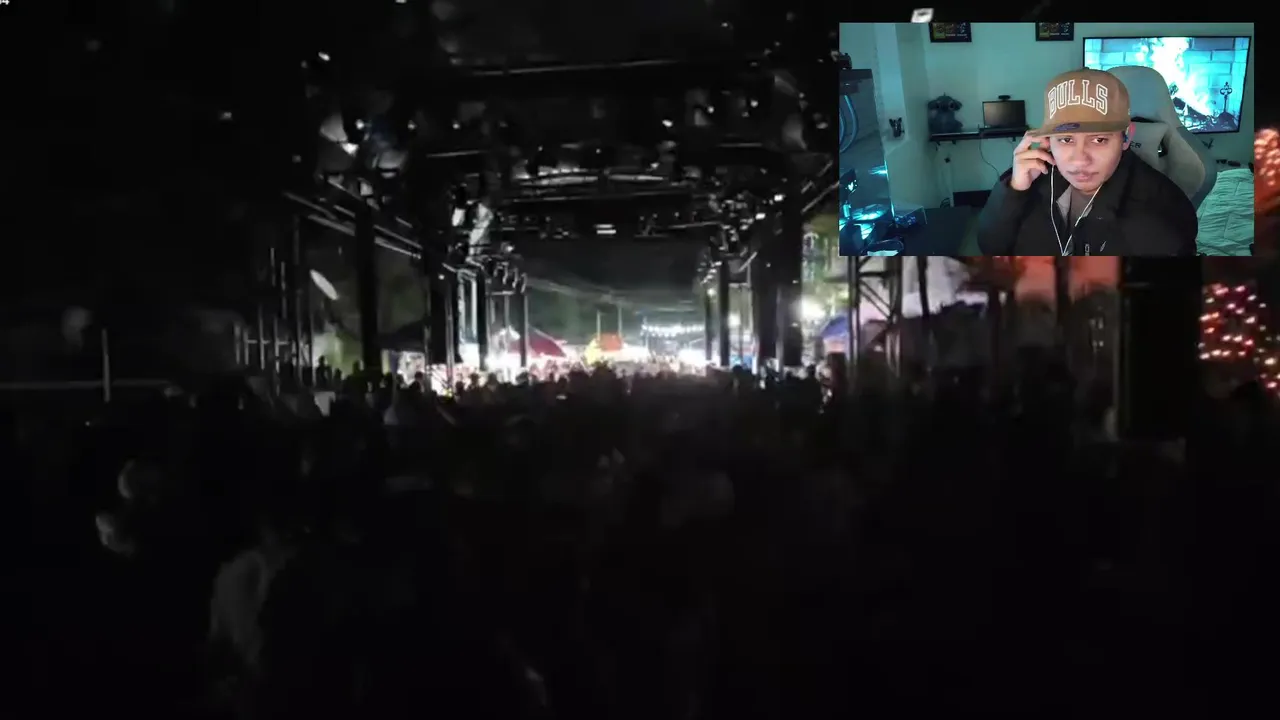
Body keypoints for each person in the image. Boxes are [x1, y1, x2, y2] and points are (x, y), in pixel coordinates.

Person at [977, 69, 1197, 256]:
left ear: (1126, 137)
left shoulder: (1162, 213)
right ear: (1047, 140)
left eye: (1099, 140)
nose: (1080, 160)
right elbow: (990, 247)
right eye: (1066, 139)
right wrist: (1014, 191)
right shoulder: (1032, 176)